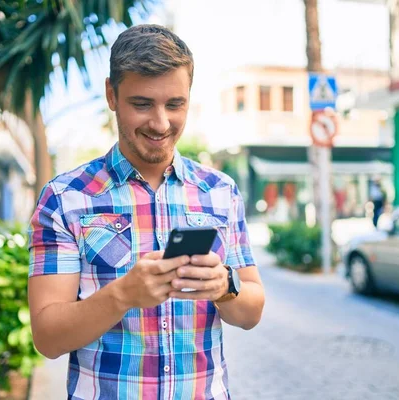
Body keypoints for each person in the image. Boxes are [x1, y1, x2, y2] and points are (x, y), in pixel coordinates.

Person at [28, 24, 265, 400]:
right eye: (142, 104)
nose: (160, 123)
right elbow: (47, 337)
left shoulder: (221, 192)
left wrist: (225, 287)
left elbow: (251, 312)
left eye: (175, 104)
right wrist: (124, 294)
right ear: (111, 94)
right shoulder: (64, 198)